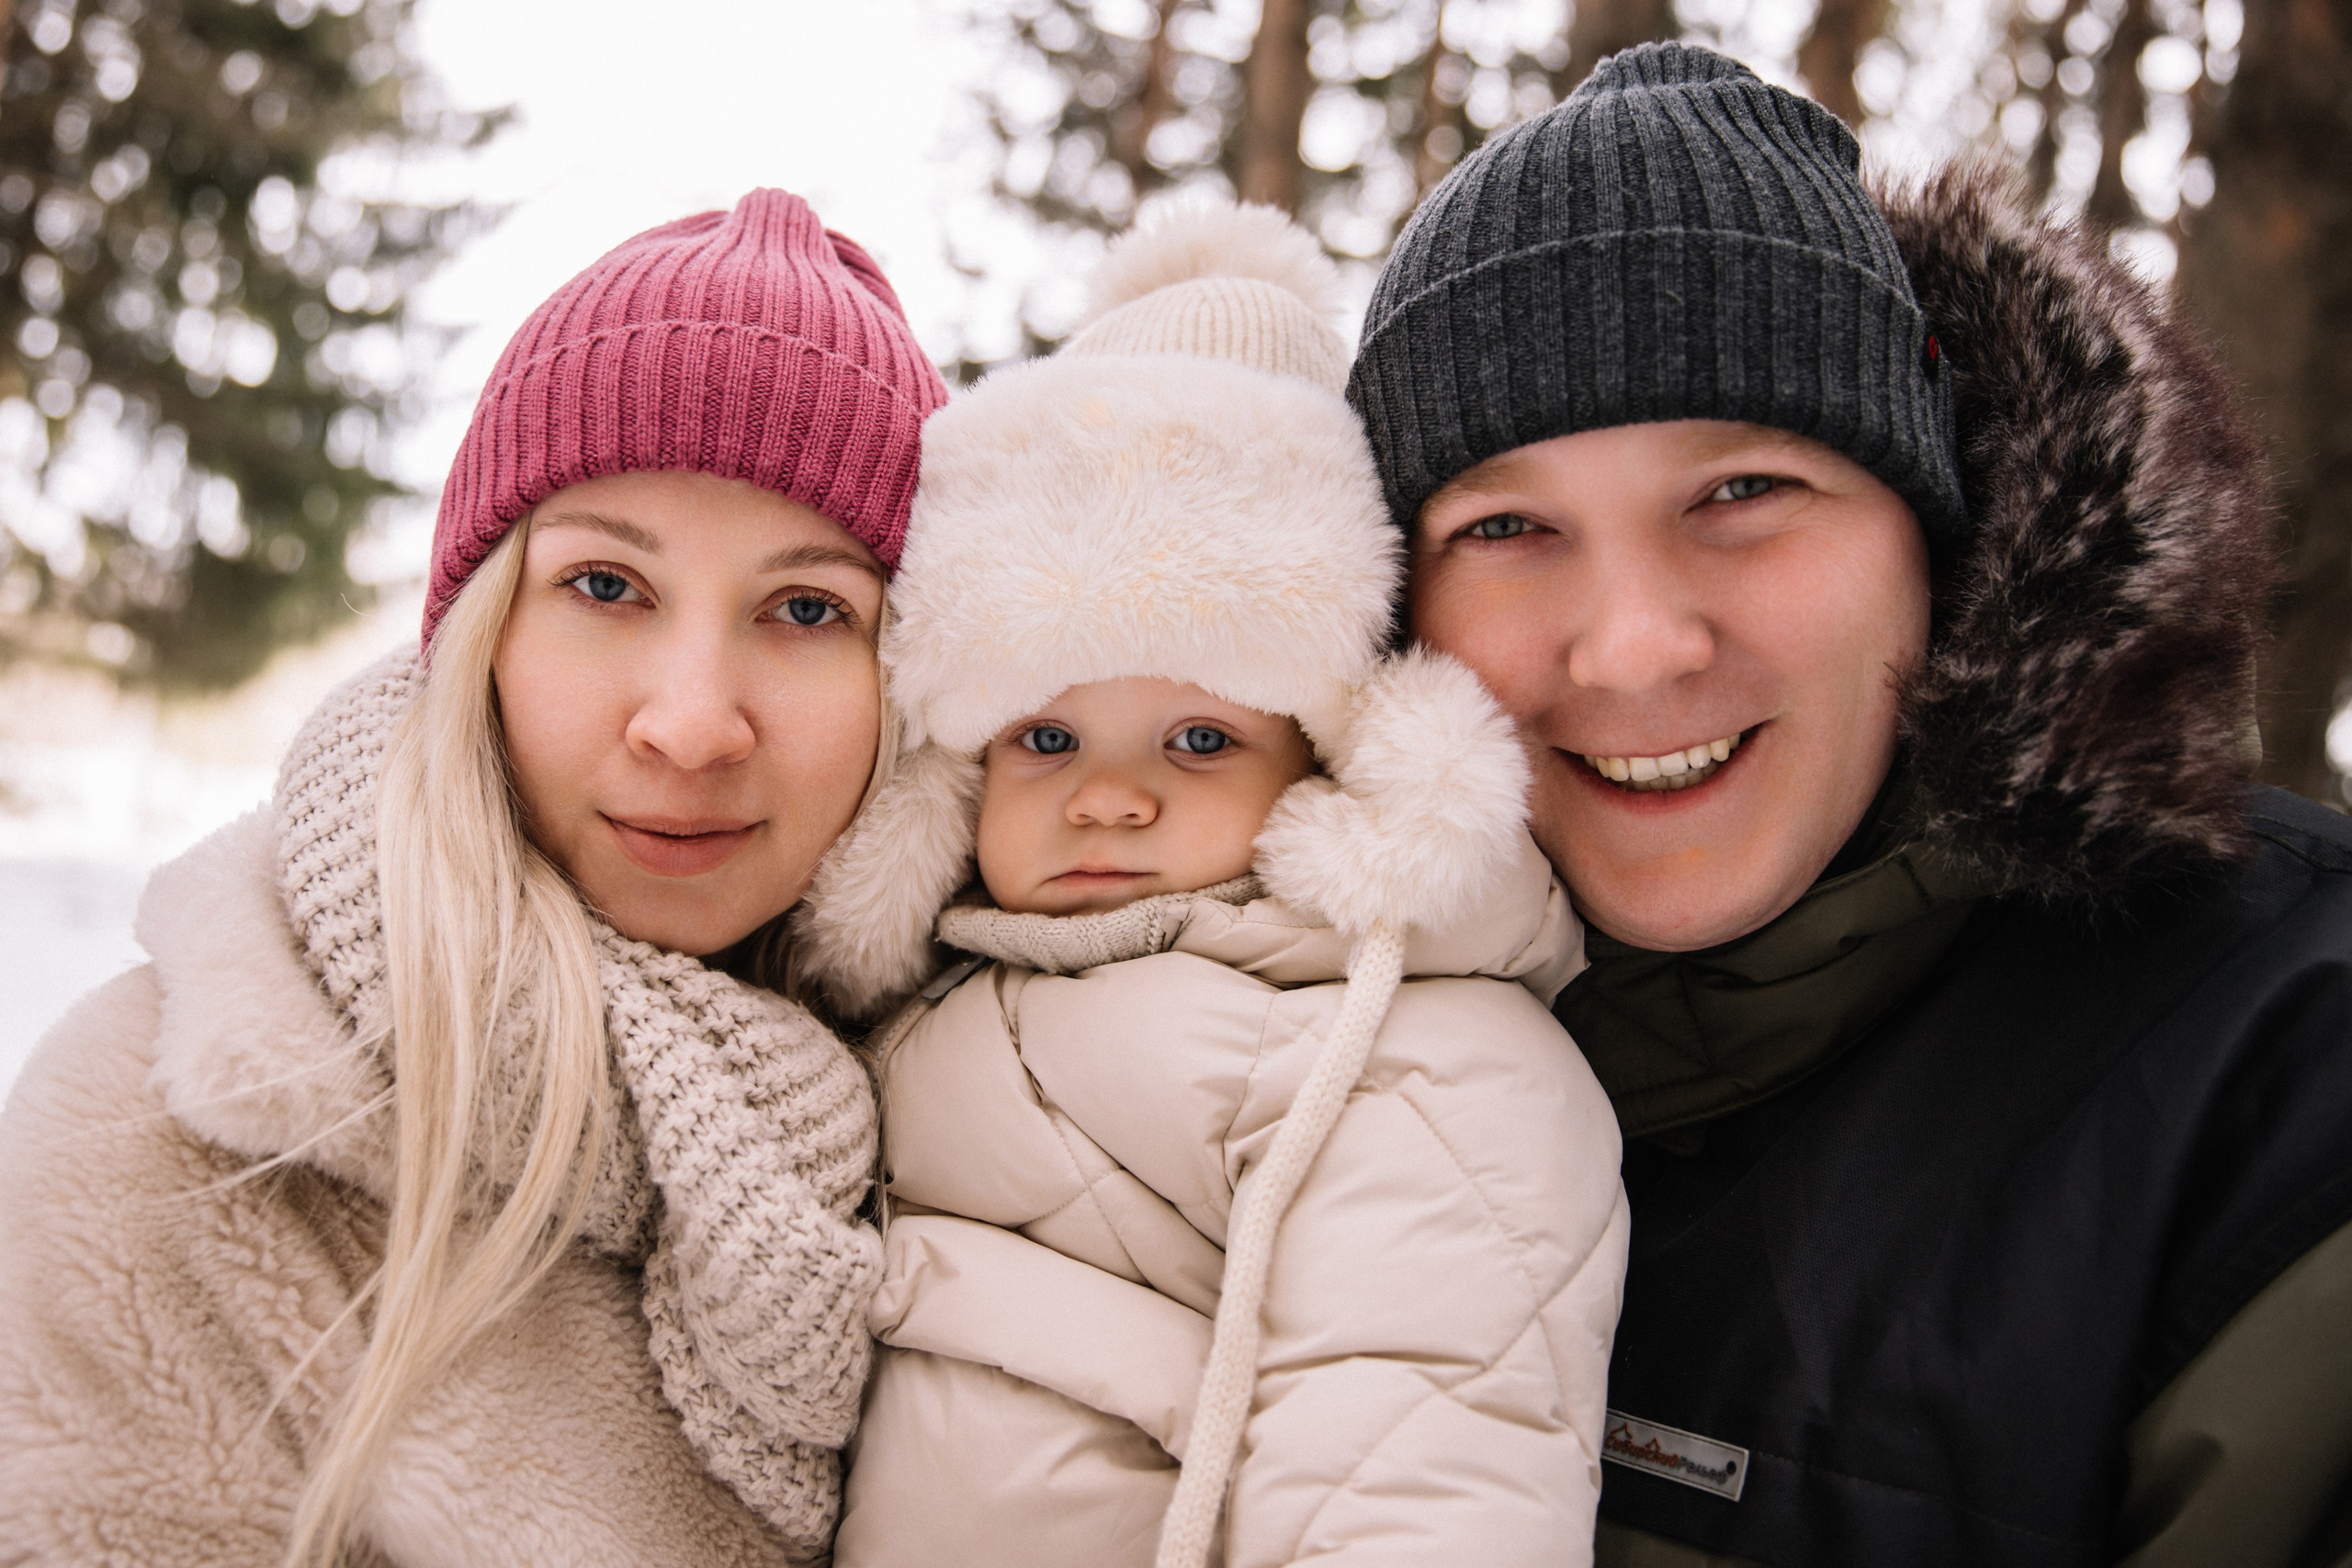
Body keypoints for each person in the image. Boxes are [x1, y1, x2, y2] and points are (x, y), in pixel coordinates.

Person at [1347, 40, 2352, 1568]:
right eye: (1506, 526)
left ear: (1936, 533)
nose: (1632, 646)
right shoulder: (1269, 1054)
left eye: (1743, 492)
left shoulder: (2289, 1063)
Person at [0, 188, 948, 1567]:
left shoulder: (998, 1130)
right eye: (607, 587)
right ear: (481, 631)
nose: (691, 722)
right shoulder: (183, 1128)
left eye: (809, 610)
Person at [775, 201, 1627, 1568]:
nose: (1108, 795)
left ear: (1330, 759)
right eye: (1045, 738)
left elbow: (1418, 1466)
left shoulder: (1420, 1059)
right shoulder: (908, 1015)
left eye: (1201, 739)